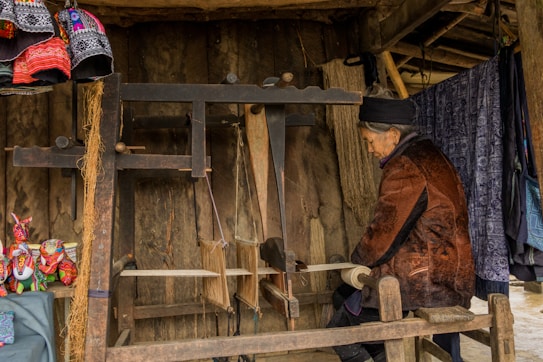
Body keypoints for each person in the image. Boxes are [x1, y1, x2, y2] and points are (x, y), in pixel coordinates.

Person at [327, 96, 475, 362]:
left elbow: (383, 234)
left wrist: (357, 264)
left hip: (428, 279)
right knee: (347, 297)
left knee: (339, 328)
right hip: (452, 274)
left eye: (369, 141)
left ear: (393, 135)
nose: (369, 149)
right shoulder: (430, 154)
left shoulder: (405, 166)